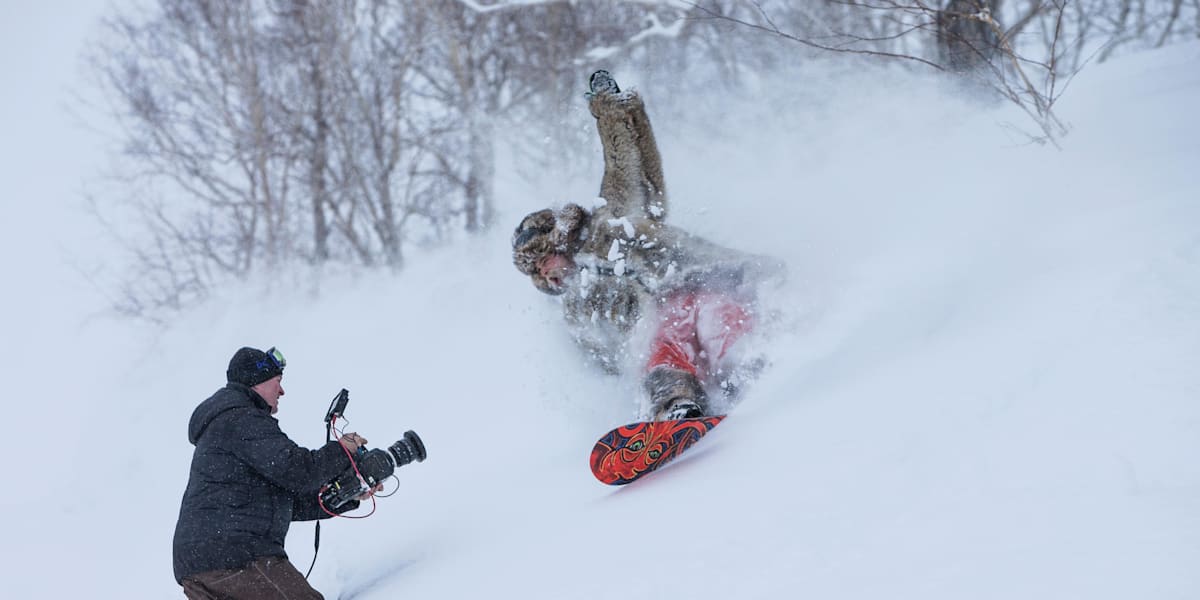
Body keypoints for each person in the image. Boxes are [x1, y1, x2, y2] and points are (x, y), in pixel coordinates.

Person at [511, 71, 782, 421]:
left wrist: (610, 111)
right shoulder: (576, 306)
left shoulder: (608, 224)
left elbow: (627, 169)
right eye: (537, 273)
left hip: (707, 282)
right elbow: (600, 358)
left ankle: (747, 368)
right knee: (660, 352)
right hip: (664, 325)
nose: (546, 274)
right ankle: (675, 406)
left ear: (558, 240)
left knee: (712, 314)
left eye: (544, 260)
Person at [172, 346, 375, 599]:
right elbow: (300, 471)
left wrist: (349, 495)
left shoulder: (226, 426)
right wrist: (343, 449)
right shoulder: (240, 419)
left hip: (202, 565)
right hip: (235, 555)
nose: (282, 391)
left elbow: (287, 503)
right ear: (256, 382)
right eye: (277, 382)